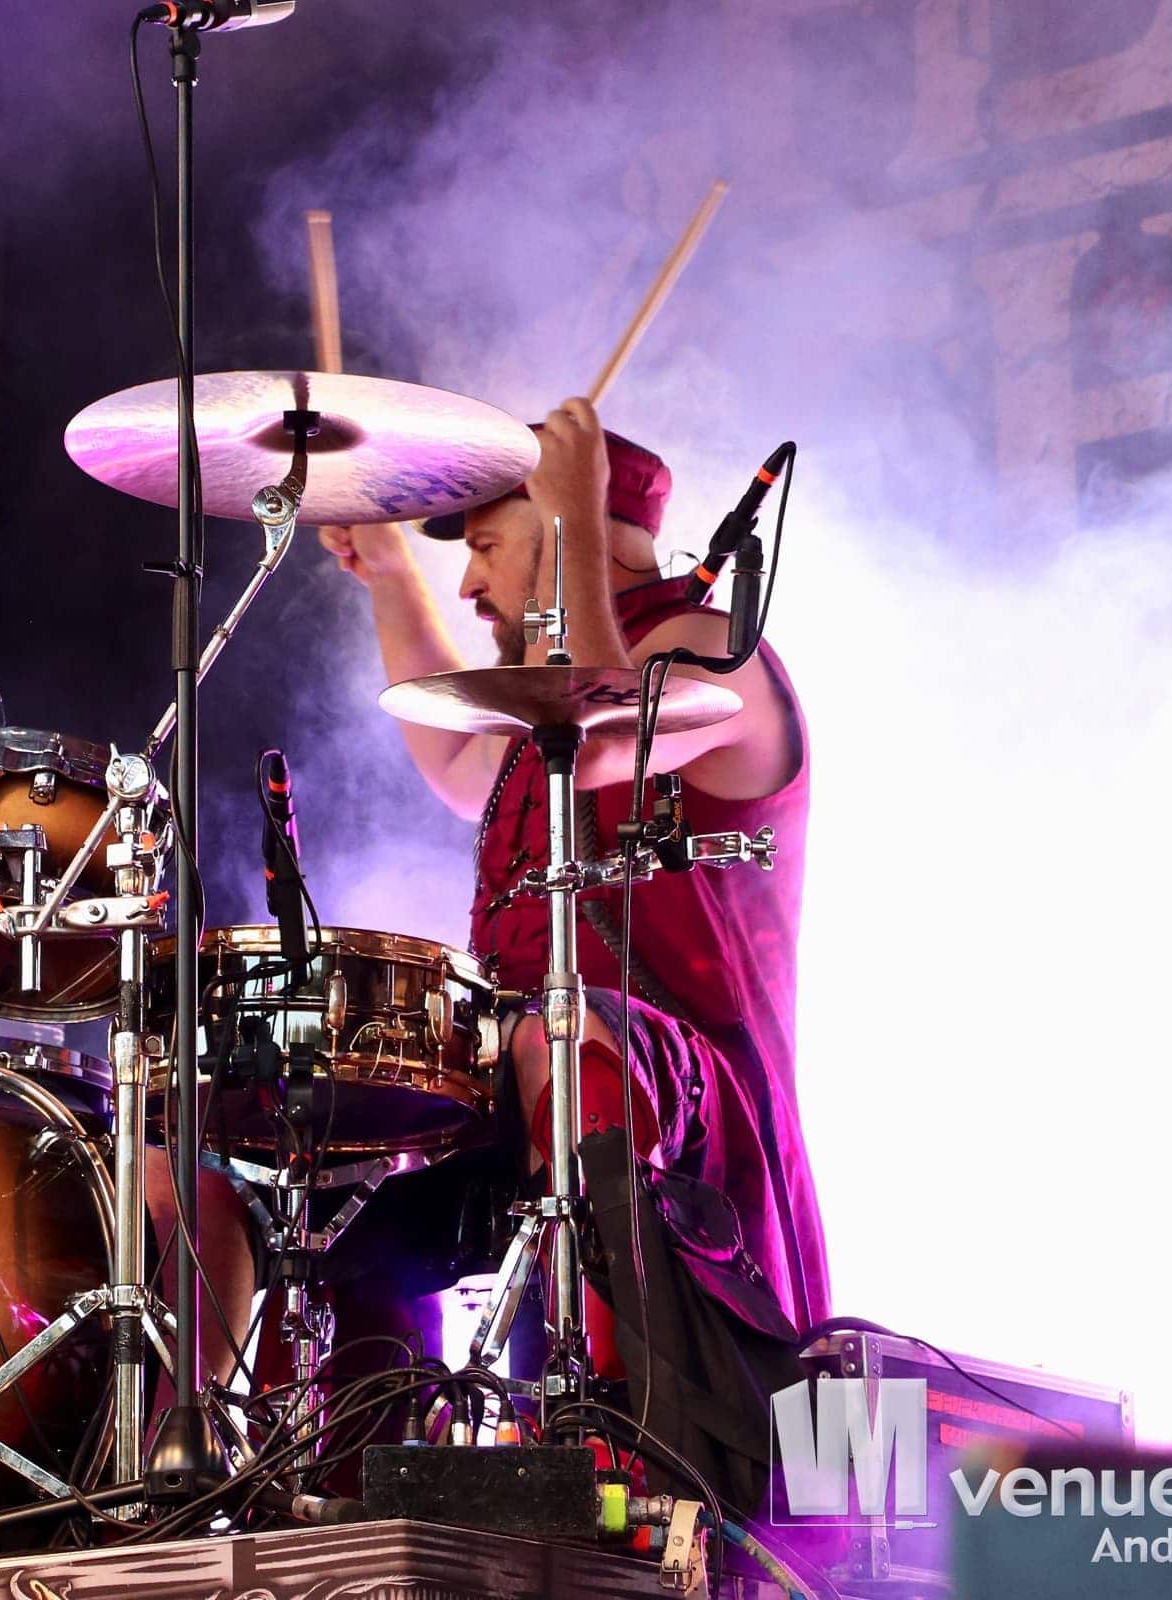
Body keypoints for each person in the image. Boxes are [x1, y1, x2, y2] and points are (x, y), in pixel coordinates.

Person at [172, 399, 826, 1505]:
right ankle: (341, 1478)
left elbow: (605, 732)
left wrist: (571, 516)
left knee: (556, 1033)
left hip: (691, 1095)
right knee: (328, 1161)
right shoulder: (546, 719)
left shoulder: (714, 651)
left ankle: (609, 1443)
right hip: (534, 1063)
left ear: (586, 524)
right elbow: (459, 764)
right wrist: (391, 574)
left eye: (486, 545)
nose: (471, 583)